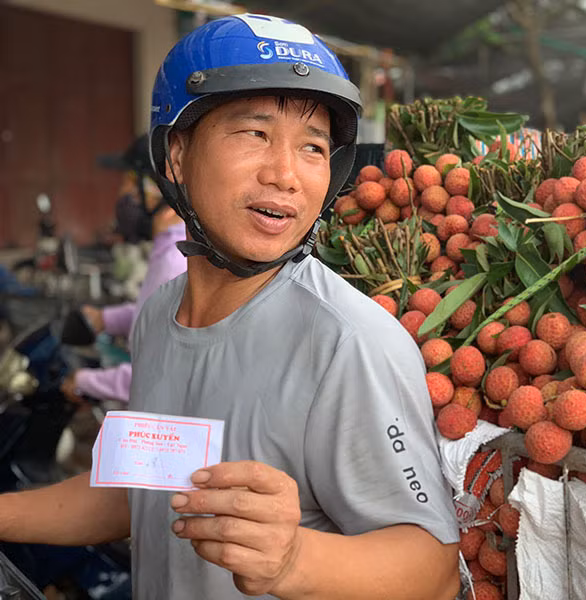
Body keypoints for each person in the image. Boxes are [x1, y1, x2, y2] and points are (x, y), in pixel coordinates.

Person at [0, 13, 461, 600]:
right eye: (255, 134)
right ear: (175, 156)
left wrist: (295, 559)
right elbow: (137, 492)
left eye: (313, 147)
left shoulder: (348, 340)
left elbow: (434, 568)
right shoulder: (159, 317)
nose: (286, 174)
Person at [61, 137, 187, 404]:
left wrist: (85, 381)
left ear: (161, 190)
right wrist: (106, 318)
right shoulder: (170, 250)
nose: (123, 194)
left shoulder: (176, 262)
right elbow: (159, 313)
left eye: (131, 182)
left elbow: (156, 377)